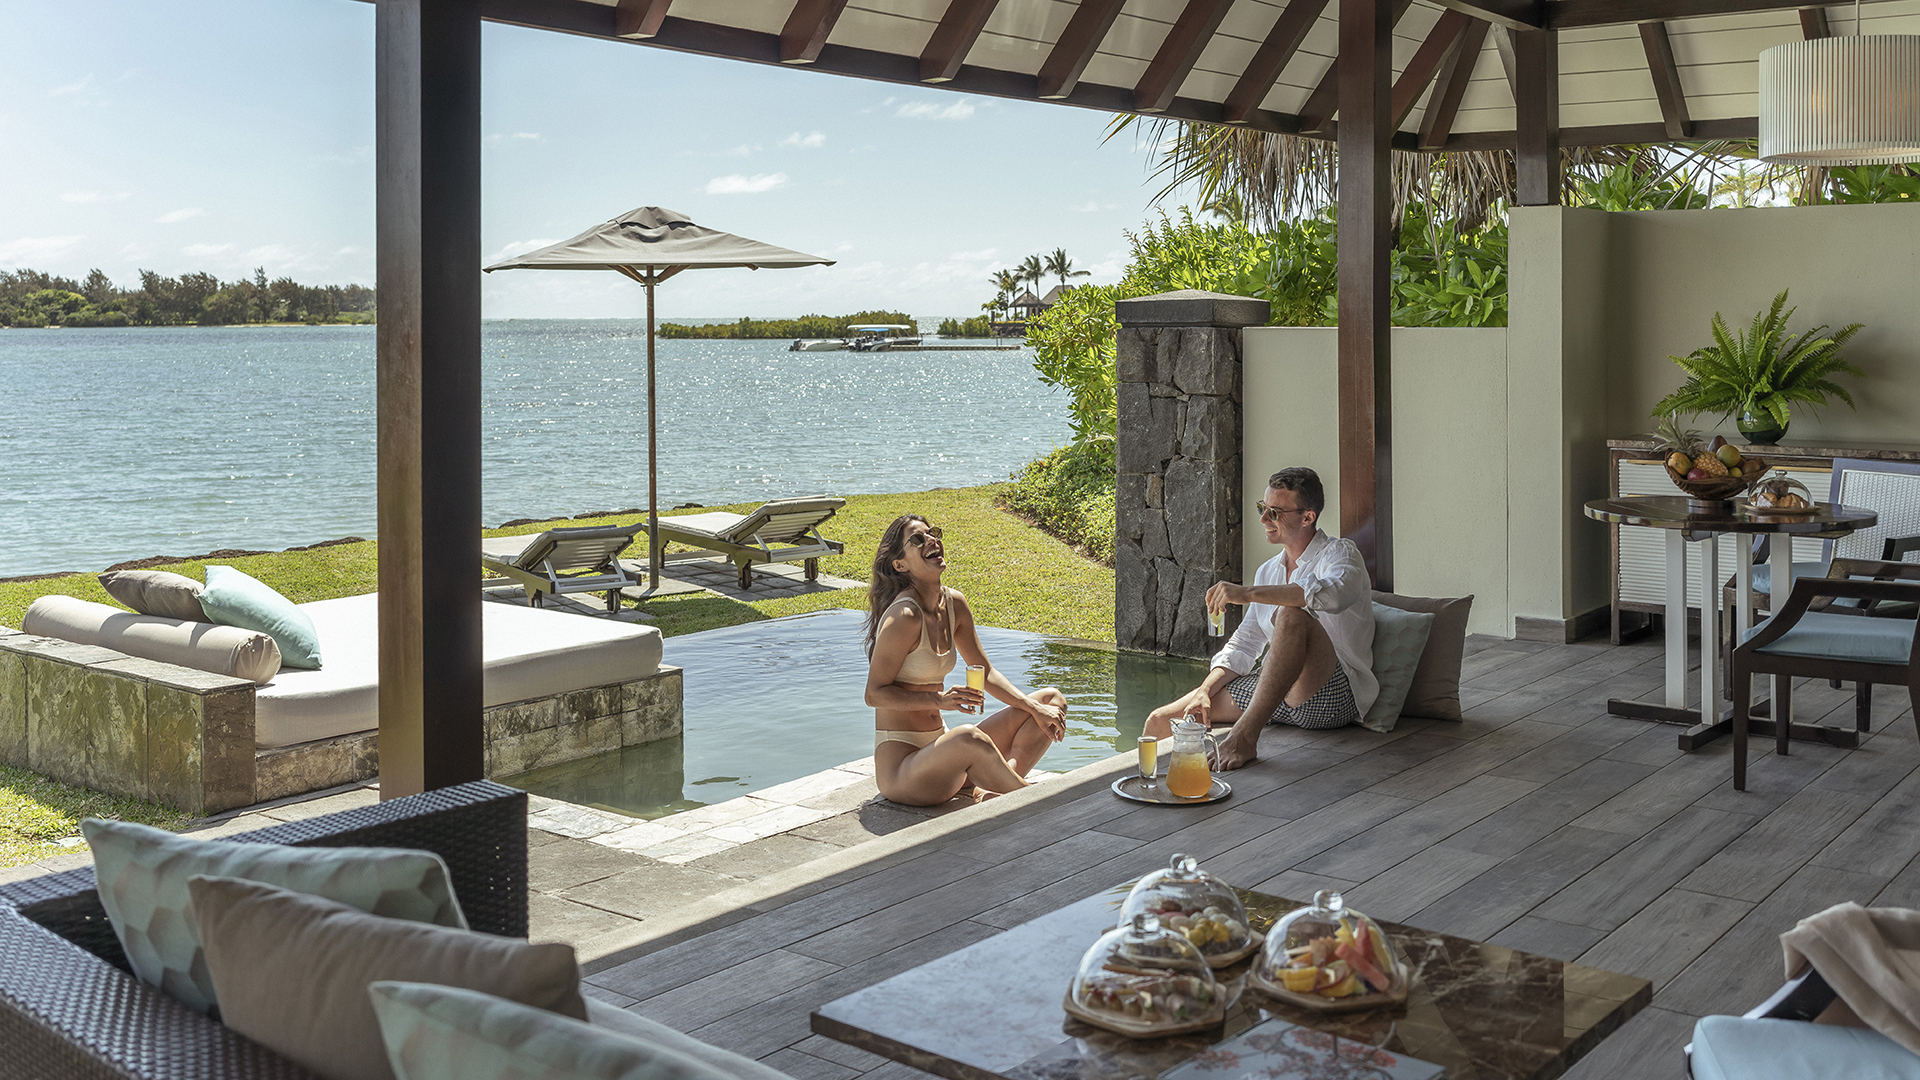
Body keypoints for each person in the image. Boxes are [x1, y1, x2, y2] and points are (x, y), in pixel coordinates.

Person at [1144, 467, 1377, 770]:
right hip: (1276, 692)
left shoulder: (1340, 554)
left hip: (1331, 696)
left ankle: (1243, 739)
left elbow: (1333, 596)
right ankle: (1150, 789)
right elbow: (1246, 642)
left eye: (1275, 513)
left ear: (1308, 517)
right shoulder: (1269, 570)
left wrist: (1248, 593)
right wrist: (1204, 690)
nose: (1263, 520)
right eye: (1262, 509)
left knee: (1292, 615)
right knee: (1162, 720)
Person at [865, 514, 1067, 805]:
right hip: (904, 771)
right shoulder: (903, 617)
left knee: (1050, 702)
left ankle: (1000, 786)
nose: (932, 540)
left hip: (943, 752)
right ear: (900, 565)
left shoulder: (954, 604)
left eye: (933, 533)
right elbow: (874, 694)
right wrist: (939, 700)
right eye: (918, 539)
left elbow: (985, 672)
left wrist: (1033, 708)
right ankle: (1035, 799)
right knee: (968, 737)